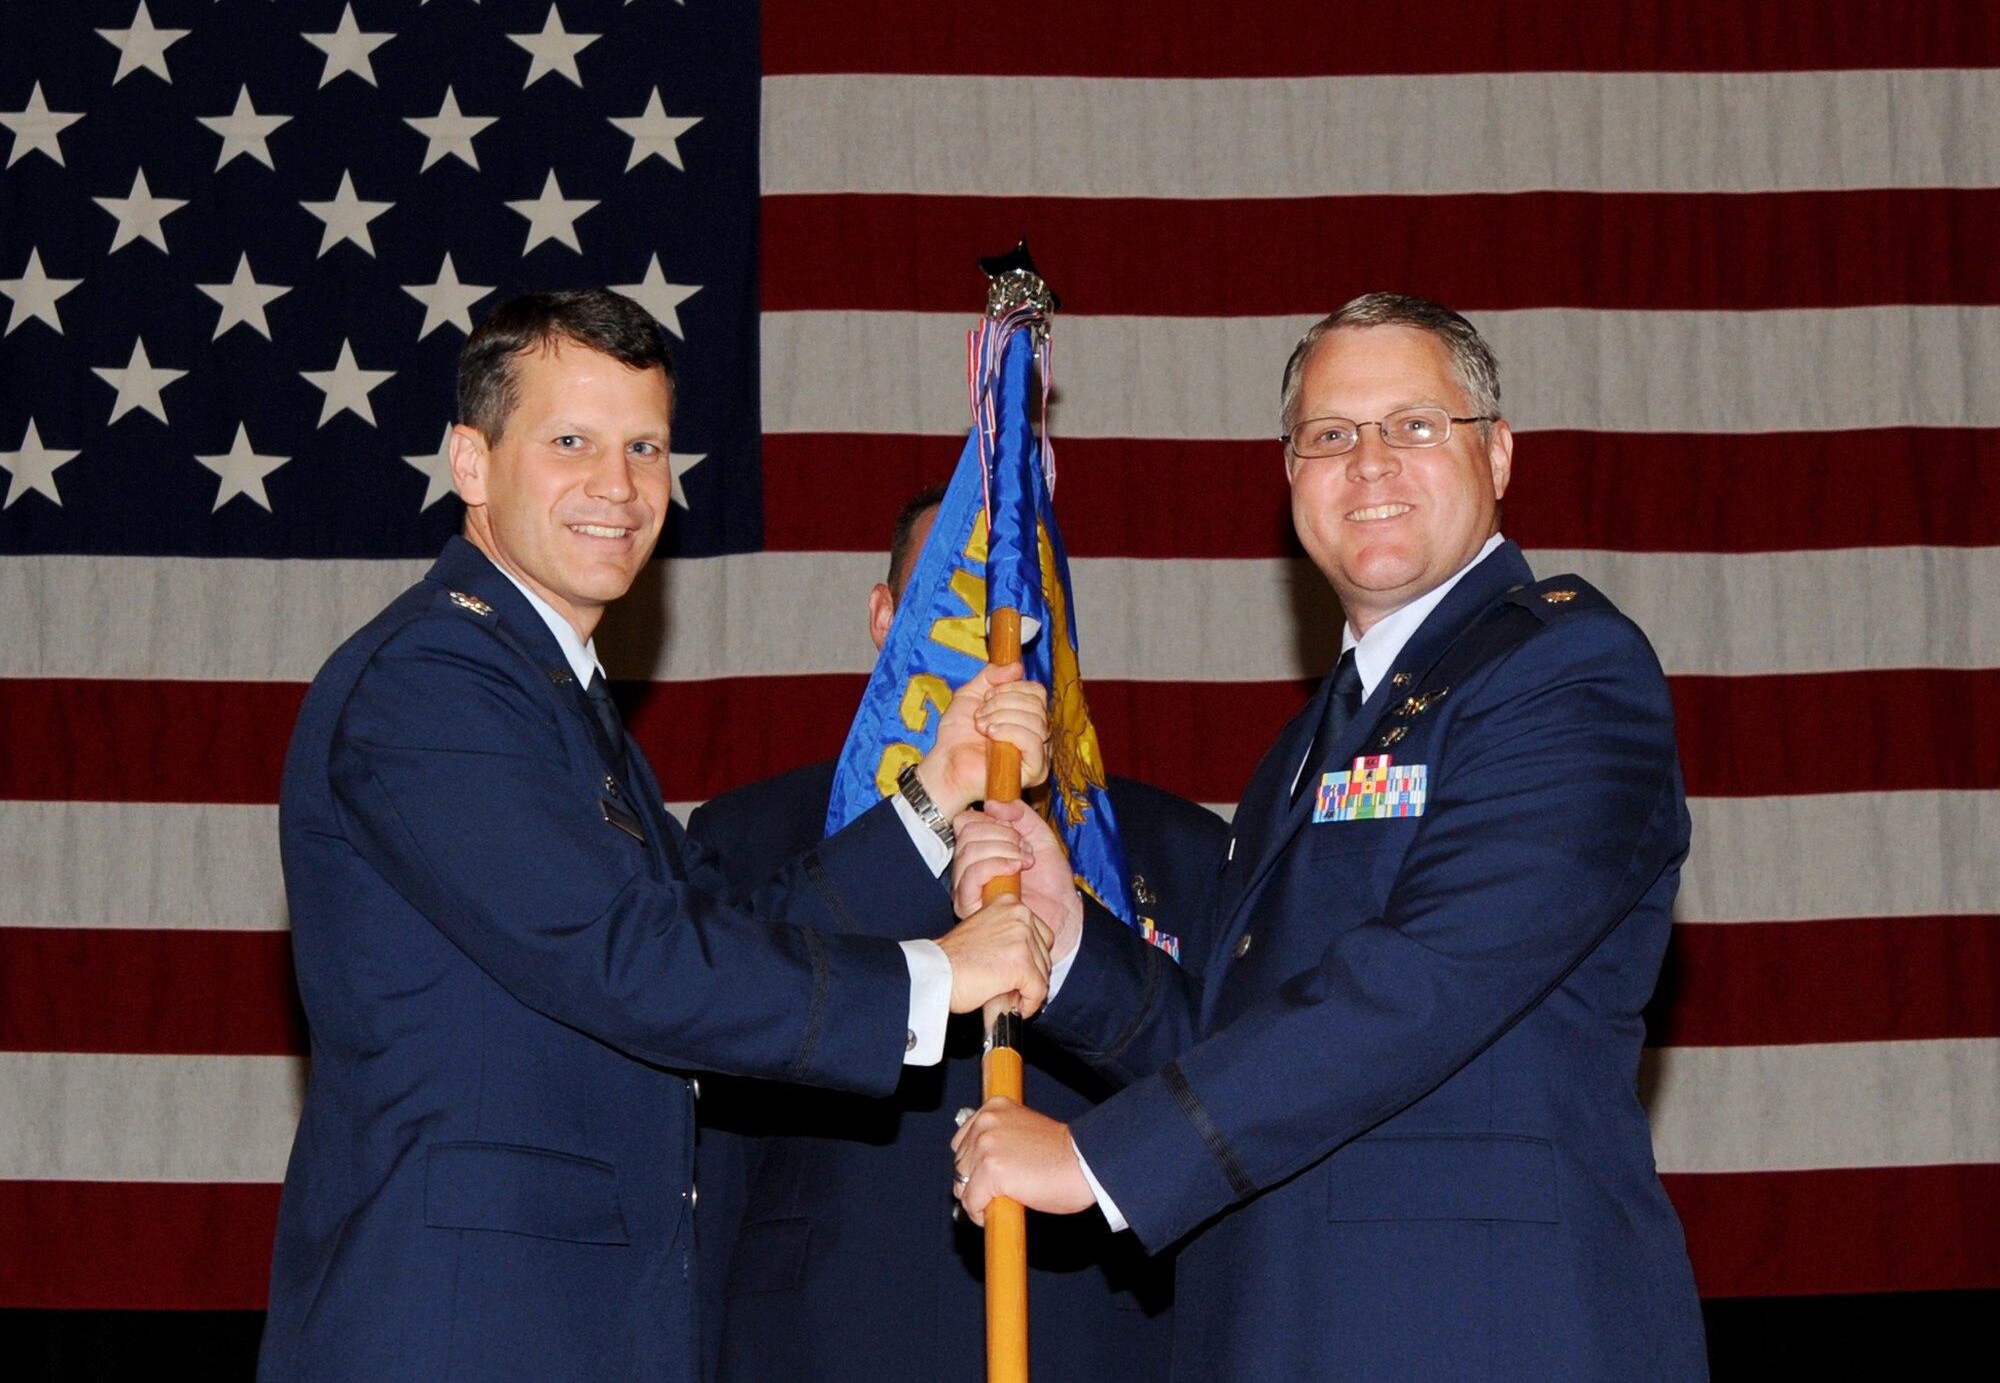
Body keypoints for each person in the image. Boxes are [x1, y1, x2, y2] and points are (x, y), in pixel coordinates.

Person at [259, 290, 1056, 1383]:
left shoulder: (556, 701)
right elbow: (627, 956)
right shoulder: (431, 685)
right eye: (571, 442)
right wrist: (933, 977)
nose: (617, 486)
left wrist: (933, 790)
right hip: (457, 1334)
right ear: (470, 463)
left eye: (644, 447)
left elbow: (717, 934)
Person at [951, 294, 1708, 1378]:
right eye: (1330, 435)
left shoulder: (1566, 671)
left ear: (1495, 454)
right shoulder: (1307, 745)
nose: (1369, 463)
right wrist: (1070, 946)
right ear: (1290, 476)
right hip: (1289, 1324)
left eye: (1412, 425)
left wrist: (1102, 1160)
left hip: (1479, 1331)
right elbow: (1242, 1038)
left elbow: (1421, 984)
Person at [686, 485, 1228, 1382]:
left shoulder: (1180, 851)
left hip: (1094, 1341)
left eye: (1020, 609)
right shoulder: (753, 835)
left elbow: (1220, 1113)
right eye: (952, 606)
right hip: (821, 1339)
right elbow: (713, 1110)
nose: (991, 642)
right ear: (885, 617)